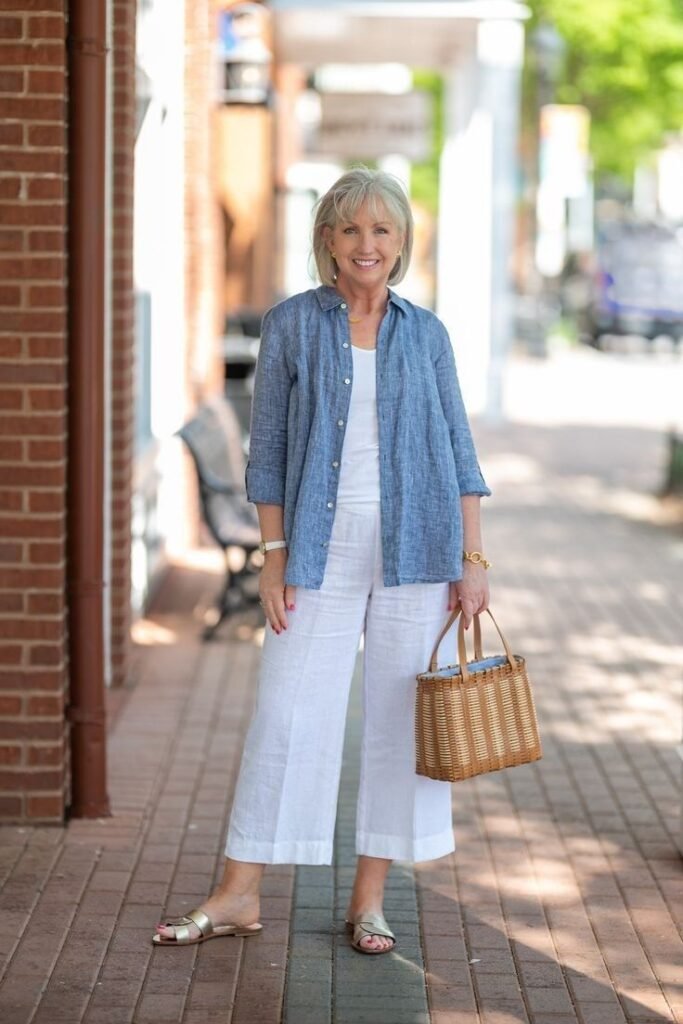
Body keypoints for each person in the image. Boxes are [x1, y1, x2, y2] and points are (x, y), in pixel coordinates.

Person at [153, 167, 491, 955]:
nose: (366, 244)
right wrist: (273, 559)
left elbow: (459, 451)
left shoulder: (427, 333)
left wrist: (472, 559)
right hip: (316, 547)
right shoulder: (292, 326)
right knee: (287, 712)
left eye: (381, 230)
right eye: (350, 230)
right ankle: (240, 892)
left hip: (419, 550)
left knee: (398, 724)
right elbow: (266, 455)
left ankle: (368, 900)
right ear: (327, 242)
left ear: (400, 242)